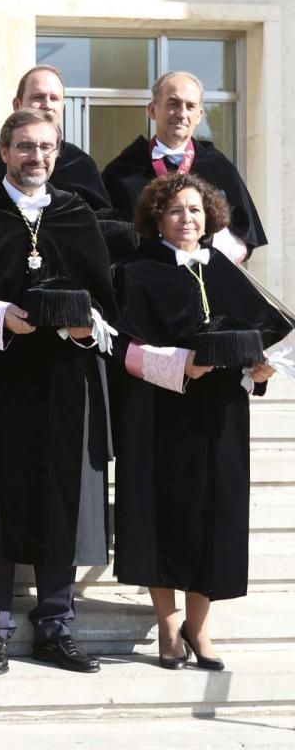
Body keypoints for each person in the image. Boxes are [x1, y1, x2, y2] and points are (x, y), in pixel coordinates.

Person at [0, 109, 117, 677]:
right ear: (3, 152)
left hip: (62, 385)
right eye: (24, 147)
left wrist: (83, 324)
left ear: (57, 154)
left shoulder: (76, 216)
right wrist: (0, 319)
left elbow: (107, 308)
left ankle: (55, 628)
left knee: (58, 499)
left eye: (45, 147)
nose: (35, 157)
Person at [111, 173, 288, 671]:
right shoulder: (135, 273)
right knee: (161, 516)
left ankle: (200, 625)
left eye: (194, 209)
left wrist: (260, 368)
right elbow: (122, 349)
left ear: (209, 215)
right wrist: (182, 366)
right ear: (156, 219)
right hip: (159, 414)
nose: (186, 219)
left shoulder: (228, 273)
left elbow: (265, 334)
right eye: (175, 210)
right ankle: (168, 625)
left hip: (219, 417)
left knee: (214, 517)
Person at [102, 71, 268, 263]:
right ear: (152, 110)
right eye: (173, 104)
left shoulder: (219, 167)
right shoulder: (121, 171)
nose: (182, 114)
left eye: (190, 106)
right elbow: (106, 237)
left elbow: (243, 241)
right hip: (142, 281)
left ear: (199, 115)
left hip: (203, 280)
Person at [0, 65, 112, 211]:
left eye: (54, 98)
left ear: (62, 108)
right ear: (17, 104)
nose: (47, 105)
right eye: (38, 97)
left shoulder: (81, 166)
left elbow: (100, 224)